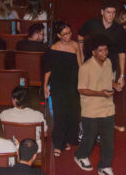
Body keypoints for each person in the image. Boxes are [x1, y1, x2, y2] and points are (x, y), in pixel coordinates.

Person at [73, 37, 121, 175]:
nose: (104, 53)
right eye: (100, 51)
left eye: (106, 49)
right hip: (91, 108)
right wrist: (101, 93)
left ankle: (104, 165)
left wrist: (115, 85)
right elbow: (81, 89)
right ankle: (80, 155)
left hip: (107, 107)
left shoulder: (109, 62)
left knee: (108, 138)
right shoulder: (85, 67)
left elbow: (108, 79)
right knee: (90, 136)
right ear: (93, 52)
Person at [44, 19, 82, 158]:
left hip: (73, 83)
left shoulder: (75, 45)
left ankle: (69, 139)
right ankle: (59, 143)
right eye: (64, 34)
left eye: (69, 32)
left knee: (73, 112)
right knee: (60, 114)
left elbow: (80, 64)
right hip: (58, 84)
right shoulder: (52, 49)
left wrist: (82, 83)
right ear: (59, 36)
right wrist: (45, 86)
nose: (68, 36)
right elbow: (48, 69)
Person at [0, 86, 47, 151]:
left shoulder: (3, 114)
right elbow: (45, 134)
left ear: (15, 100)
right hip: (32, 150)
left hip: (11, 149)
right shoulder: (38, 115)